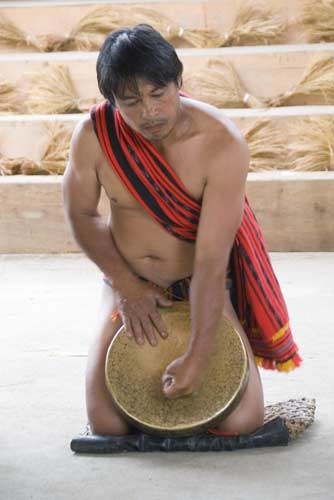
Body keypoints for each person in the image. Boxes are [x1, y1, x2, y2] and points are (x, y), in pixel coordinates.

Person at [62, 24, 301, 436]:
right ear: (111, 101)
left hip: (202, 280)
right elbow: (81, 215)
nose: (149, 112)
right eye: (131, 101)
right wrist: (127, 287)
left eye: (159, 94)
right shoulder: (93, 136)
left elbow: (211, 261)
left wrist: (200, 351)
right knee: (106, 425)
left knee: (241, 422)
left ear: (179, 81)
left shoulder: (221, 141)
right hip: (129, 281)